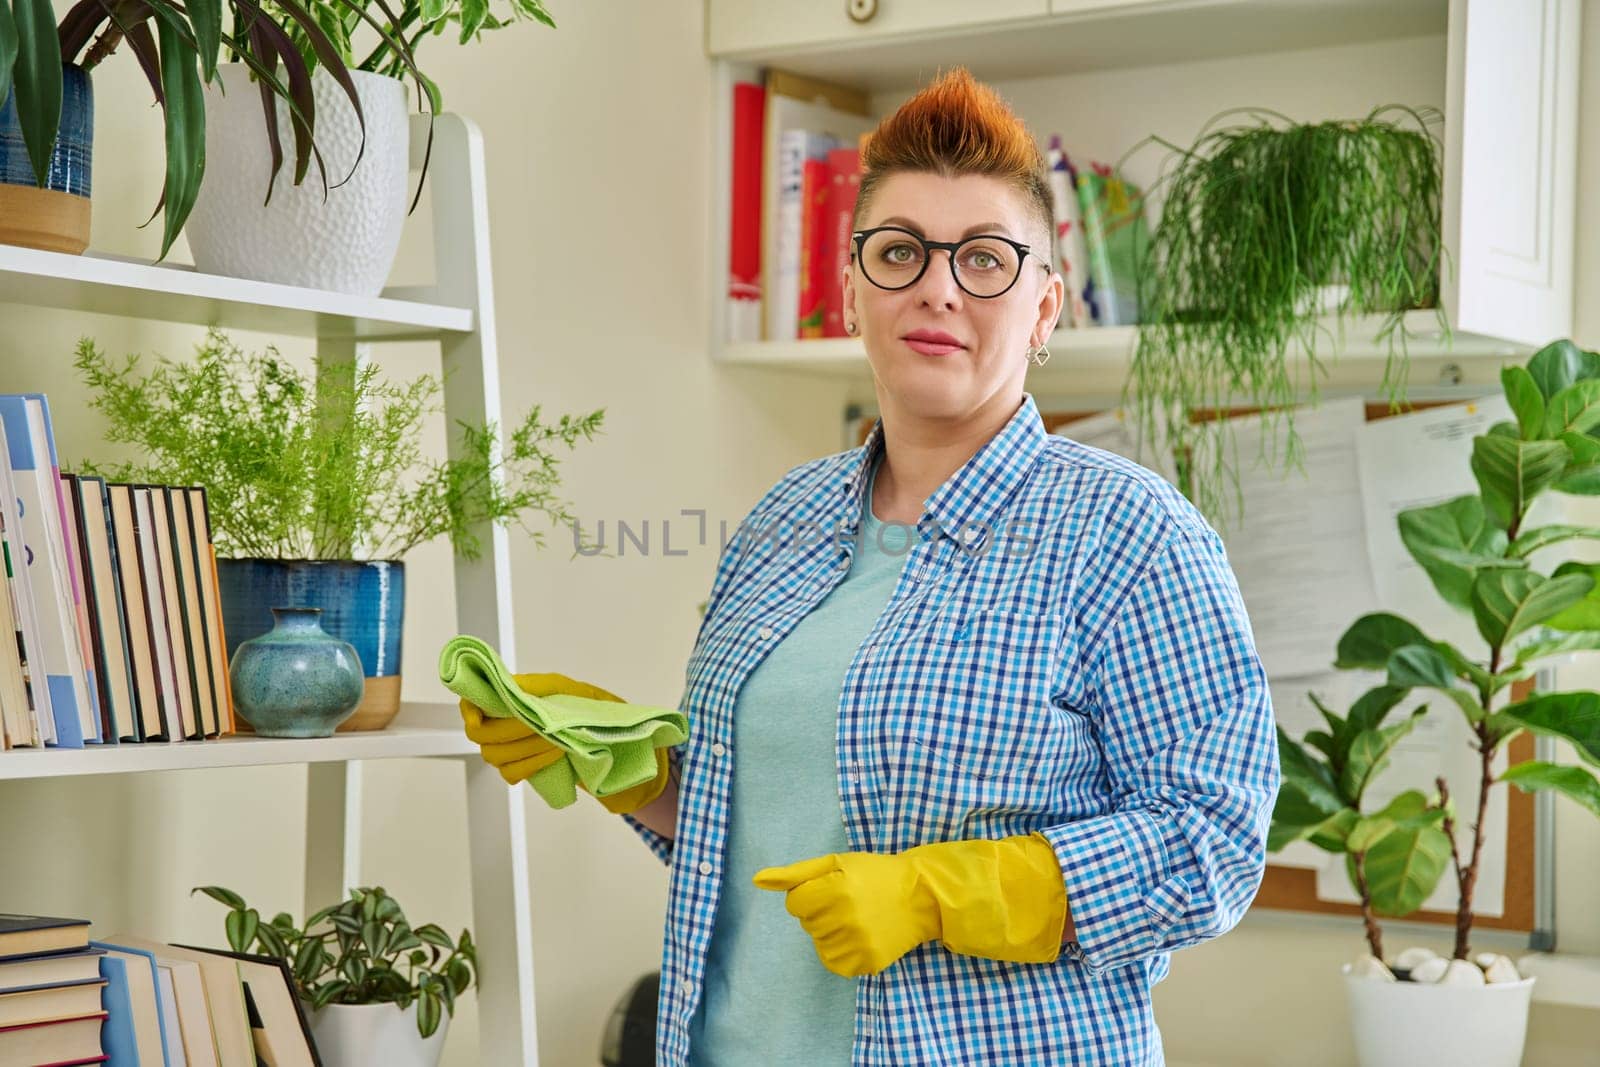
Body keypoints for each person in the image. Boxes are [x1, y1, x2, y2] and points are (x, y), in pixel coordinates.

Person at [461, 68, 1280, 1066]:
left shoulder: (1131, 535)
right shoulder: (784, 519)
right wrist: (628, 767)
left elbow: (1215, 844)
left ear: (1045, 307)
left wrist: (945, 893)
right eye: (900, 252)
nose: (937, 285)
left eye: (984, 259)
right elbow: (759, 828)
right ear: (852, 290)